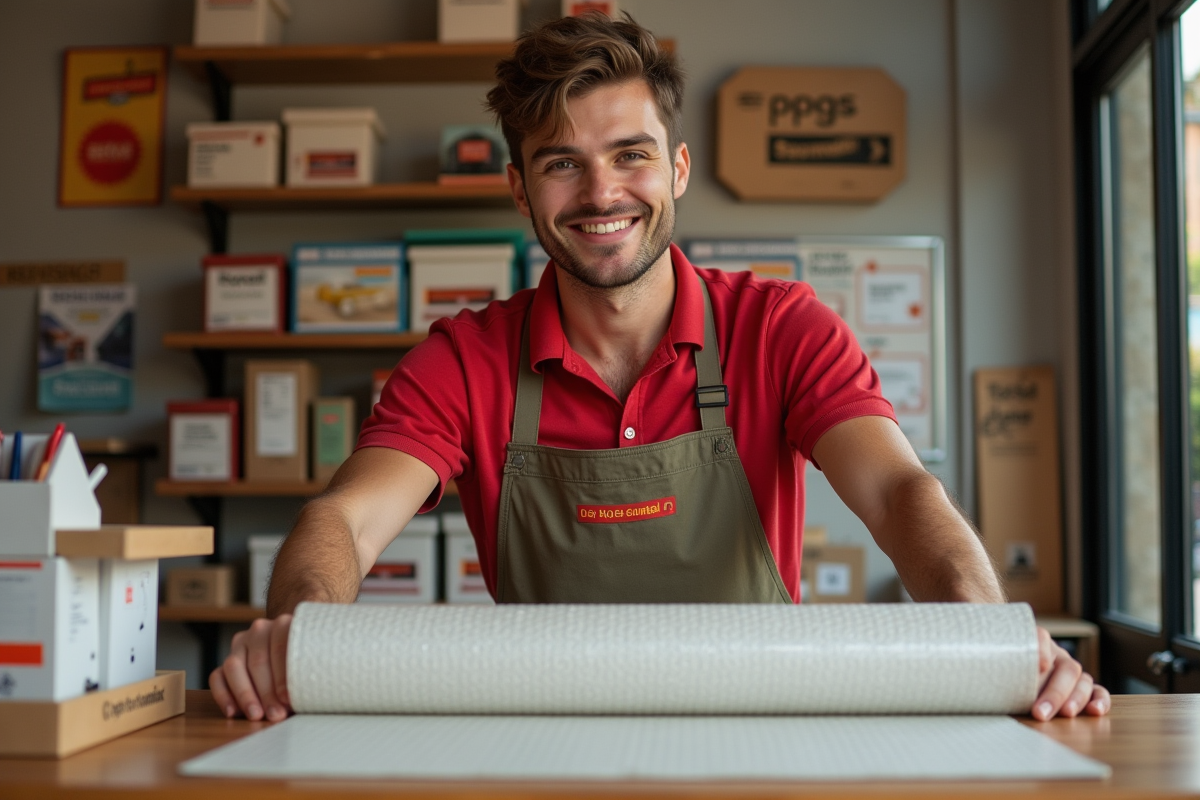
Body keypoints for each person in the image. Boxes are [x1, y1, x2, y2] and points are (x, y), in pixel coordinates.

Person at [211, 13, 1110, 724]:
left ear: (676, 168)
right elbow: (347, 521)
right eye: (563, 164)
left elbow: (900, 496)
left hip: (760, 735)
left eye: (629, 155)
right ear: (521, 190)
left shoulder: (779, 329)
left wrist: (991, 641)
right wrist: (299, 632)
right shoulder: (464, 360)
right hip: (541, 740)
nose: (601, 194)